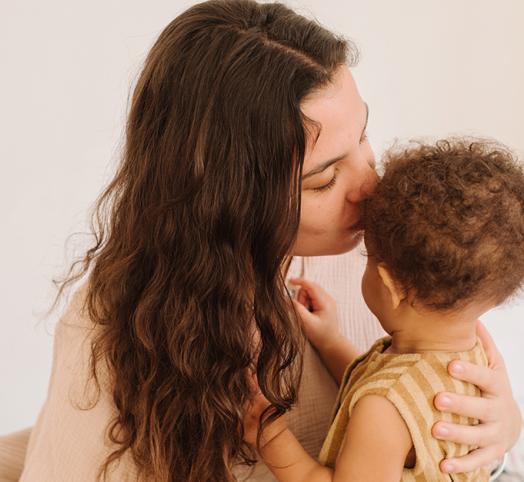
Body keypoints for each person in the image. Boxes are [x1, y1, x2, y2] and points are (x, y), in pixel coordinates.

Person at [5, 1, 519, 481]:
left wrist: (497, 435)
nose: (373, 188)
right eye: (323, 179)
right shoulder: (119, 328)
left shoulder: (381, 254)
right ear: (226, 199)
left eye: (363, 135)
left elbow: (427, 395)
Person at [244, 138, 524, 481]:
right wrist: (331, 342)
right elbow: (381, 382)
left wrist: (269, 436)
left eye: (369, 255)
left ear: (390, 286)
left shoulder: (384, 409)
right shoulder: (474, 358)